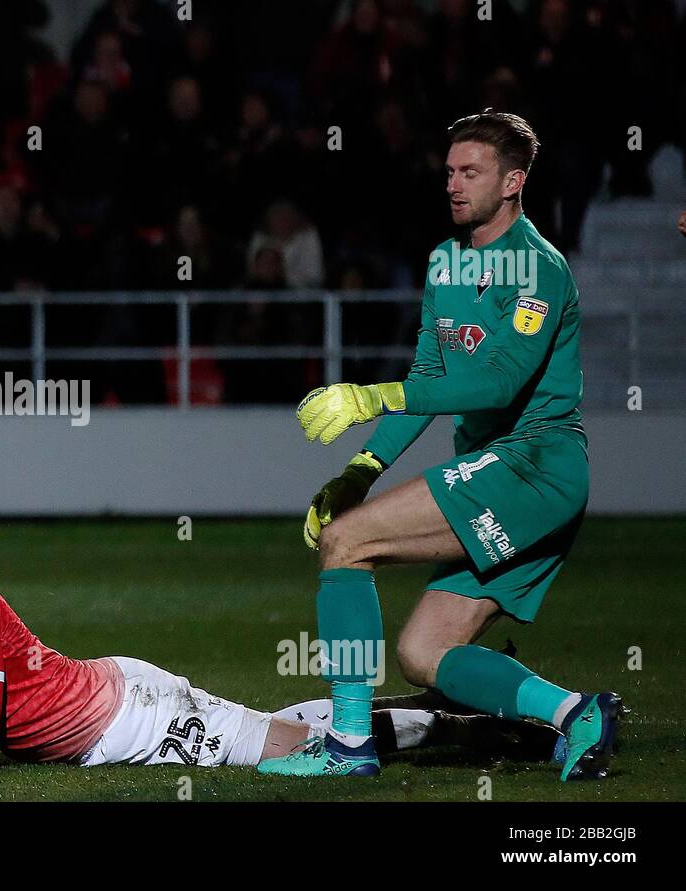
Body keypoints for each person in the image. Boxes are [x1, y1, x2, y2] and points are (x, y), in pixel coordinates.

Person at [258, 111, 621, 781]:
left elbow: (496, 380)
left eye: (471, 172)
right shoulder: (448, 263)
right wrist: (361, 469)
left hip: (533, 464)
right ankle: (578, 712)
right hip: (509, 474)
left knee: (347, 542)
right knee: (425, 652)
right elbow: (433, 377)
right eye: (449, 170)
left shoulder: (538, 268)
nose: (453, 183)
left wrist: (372, 394)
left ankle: (346, 745)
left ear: (513, 182)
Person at [0, 504, 562, 773]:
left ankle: (467, 726)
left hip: (125, 718)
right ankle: (438, 696)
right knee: (285, 729)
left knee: (292, 750)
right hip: (111, 705)